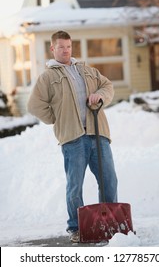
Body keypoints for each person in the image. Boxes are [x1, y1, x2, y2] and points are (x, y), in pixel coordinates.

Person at [27, 30, 118, 243]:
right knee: (75, 186)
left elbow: (108, 86)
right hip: (73, 138)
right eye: (61, 47)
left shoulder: (87, 71)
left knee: (109, 180)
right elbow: (34, 104)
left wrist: (100, 96)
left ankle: (110, 223)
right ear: (53, 49)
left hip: (97, 133)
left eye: (68, 46)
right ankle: (76, 228)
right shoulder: (48, 77)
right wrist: (56, 118)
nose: (66, 51)